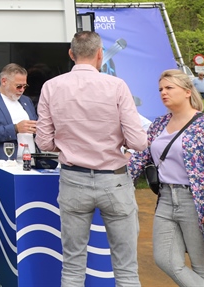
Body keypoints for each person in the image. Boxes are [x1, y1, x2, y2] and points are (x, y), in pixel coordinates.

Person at [36, 31, 148, 287]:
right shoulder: (117, 86)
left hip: (73, 180)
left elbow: (43, 142)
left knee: (72, 266)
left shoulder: (51, 87)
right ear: (100, 54)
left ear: (71, 54)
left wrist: (67, 145)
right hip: (115, 181)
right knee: (126, 270)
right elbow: (139, 142)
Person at [128, 69, 204, 286]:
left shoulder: (202, 125)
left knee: (201, 267)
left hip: (195, 201)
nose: (163, 92)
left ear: (188, 91)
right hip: (165, 199)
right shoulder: (159, 124)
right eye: (161, 89)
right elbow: (140, 157)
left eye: (169, 87)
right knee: (165, 259)